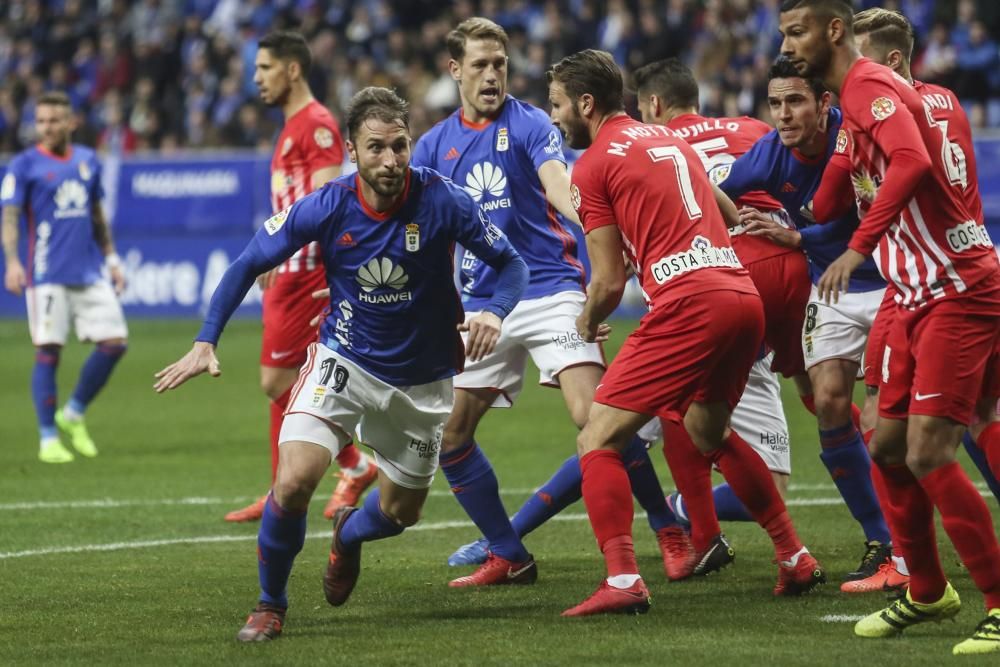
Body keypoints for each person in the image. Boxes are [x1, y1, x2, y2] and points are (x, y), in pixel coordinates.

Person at [154, 87, 528, 642]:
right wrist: (207, 339)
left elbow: (511, 264)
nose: (391, 160)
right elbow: (247, 262)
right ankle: (270, 604)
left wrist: (494, 311)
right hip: (343, 364)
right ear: (353, 150)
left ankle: (349, 535)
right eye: (376, 148)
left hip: (422, 384)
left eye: (400, 146)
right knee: (294, 482)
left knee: (400, 515)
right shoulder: (327, 205)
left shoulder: (443, 200)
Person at [547, 49, 823, 617]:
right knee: (707, 430)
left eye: (556, 105)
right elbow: (725, 211)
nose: (553, 119)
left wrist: (585, 325)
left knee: (597, 438)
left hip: (688, 302)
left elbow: (606, 281)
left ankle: (623, 580)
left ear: (585, 103)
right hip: (740, 294)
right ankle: (793, 554)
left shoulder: (592, 166)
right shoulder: (668, 138)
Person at [411, 17, 679, 586]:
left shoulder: (532, 122)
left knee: (596, 418)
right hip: (482, 306)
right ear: (455, 69)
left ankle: (667, 526)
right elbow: (427, 235)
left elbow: (560, 185)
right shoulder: (433, 145)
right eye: (480, 65)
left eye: (500, 64)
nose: (492, 75)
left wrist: (598, 224)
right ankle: (509, 553)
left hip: (550, 288)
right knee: (451, 435)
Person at [779, 0, 1000, 655]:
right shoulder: (870, 97)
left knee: (932, 449)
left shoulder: (872, 85)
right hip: (915, 290)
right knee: (886, 444)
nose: (787, 44)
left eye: (797, 31)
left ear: (834, 31)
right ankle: (929, 590)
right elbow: (829, 198)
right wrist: (830, 154)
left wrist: (855, 247)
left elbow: (911, 165)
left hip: (952, 287)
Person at [686, 56, 896, 590]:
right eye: (775, 103)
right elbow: (709, 183)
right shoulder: (769, 153)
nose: (783, 114)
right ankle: (881, 541)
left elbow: (872, 217)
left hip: (894, 277)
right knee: (828, 400)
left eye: (795, 101)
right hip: (833, 286)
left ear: (826, 104)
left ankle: (909, 539)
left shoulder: (856, 142)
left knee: (902, 421)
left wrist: (799, 238)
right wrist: (726, 228)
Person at [225, 30, 378, 524]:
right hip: (286, 269)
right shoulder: (292, 124)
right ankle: (279, 489)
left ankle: (354, 465)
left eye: (264, 68)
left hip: (306, 271)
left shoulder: (317, 126)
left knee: (278, 380)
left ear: (292, 70)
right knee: (282, 380)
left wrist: (298, 258)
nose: (257, 79)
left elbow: (324, 205)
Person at [852, 7, 1000, 508]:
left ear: (893, 60)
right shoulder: (948, 100)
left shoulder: (886, 113)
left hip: (929, 280)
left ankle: (903, 558)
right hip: (967, 260)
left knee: (898, 433)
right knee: (982, 415)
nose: (853, 70)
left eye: (861, 57)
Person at [1, 90, 127, 464]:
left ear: (71, 122)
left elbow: (96, 216)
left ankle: (72, 413)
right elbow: (9, 217)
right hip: (46, 273)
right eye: (40, 121)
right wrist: (11, 261)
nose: (46, 127)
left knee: (115, 342)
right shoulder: (23, 165)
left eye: (54, 120)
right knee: (48, 351)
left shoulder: (89, 160)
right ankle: (47, 438)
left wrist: (113, 259)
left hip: (89, 270)